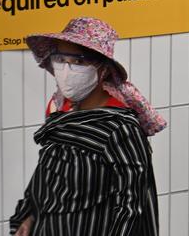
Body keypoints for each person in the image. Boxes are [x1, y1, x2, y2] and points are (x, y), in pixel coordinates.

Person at [9, 17, 167, 236]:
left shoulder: (120, 130)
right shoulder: (60, 111)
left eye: (78, 61)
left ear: (102, 69)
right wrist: (30, 214)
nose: (66, 69)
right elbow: (49, 174)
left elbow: (131, 206)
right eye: (60, 59)